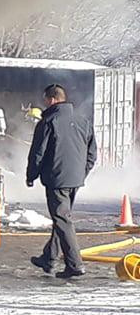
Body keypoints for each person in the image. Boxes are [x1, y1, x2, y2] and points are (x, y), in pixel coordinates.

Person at [26, 84, 96, 278]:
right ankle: (49, 258)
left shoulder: (49, 121)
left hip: (57, 179)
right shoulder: (83, 121)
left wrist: (31, 175)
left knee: (62, 220)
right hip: (75, 179)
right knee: (62, 217)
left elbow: (38, 153)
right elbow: (92, 153)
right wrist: (82, 172)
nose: (44, 103)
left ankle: (75, 265)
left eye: (45, 100)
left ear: (52, 100)